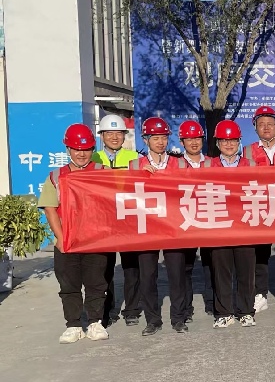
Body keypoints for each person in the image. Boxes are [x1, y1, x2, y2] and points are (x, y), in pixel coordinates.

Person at [40, 124, 110, 344]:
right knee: (68, 285)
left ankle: (95, 322)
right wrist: (61, 239)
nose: (81, 154)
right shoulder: (56, 176)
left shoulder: (103, 173)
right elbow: (50, 209)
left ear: (92, 149)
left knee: (96, 283)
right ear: (68, 149)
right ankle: (73, 325)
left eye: (86, 149)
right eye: (76, 149)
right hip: (68, 241)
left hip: (95, 241)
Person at [128, 117, 190, 335]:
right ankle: (152, 320)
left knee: (177, 274)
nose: (161, 142)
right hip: (147, 227)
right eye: (155, 138)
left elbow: (188, 190)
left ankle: (179, 318)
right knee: (147, 275)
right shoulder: (135, 165)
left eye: (164, 138)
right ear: (146, 140)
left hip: (173, 225)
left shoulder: (179, 163)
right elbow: (127, 195)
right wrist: (141, 176)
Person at [203, 120, 258, 328]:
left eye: (233, 140)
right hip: (219, 226)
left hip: (245, 226)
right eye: (224, 141)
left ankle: (246, 311)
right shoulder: (207, 166)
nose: (229, 144)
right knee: (221, 272)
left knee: (246, 272)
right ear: (217, 143)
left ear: (239, 142)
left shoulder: (251, 165)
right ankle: (223, 312)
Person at [91, 114, 139, 326]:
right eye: (109, 133)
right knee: (104, 268)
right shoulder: (93, 158)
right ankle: (107, 310)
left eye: (118, 133)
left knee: (131, 267)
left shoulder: (134, 157)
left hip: (128, 217)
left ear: (124, 135)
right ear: (101, 136)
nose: (114, 137)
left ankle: (132, 310)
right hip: (103, 220)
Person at [243, 105, 275, 315]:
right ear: (255, 127)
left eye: (270, 124)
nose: (266, 127)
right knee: (260, 254)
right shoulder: (248, 150)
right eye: (261, 124)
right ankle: (260, 294)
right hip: (260, 206)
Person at [175, 121, 208, 320]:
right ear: (182, 142)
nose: (194, 142)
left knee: (211, 265)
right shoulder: (175, 165)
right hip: (185, 221)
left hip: (210, 219)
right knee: (185, 267)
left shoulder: (212, 163)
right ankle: (186, 308)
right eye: (189, 139)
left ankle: (214, 305)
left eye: (197, 138)